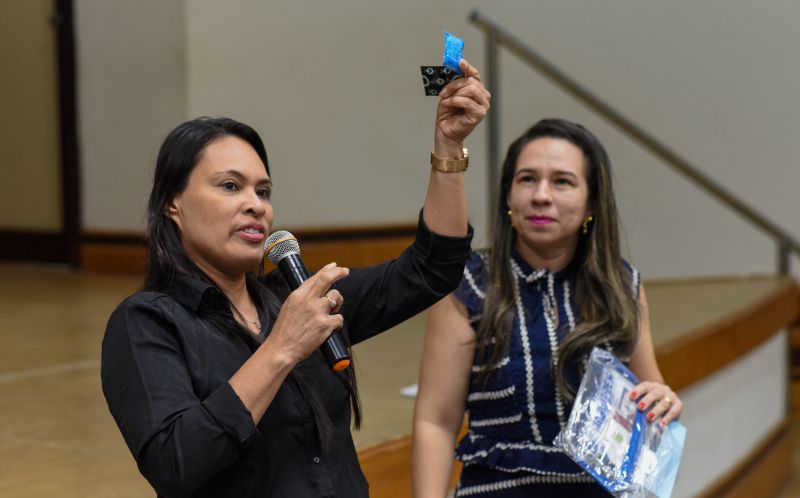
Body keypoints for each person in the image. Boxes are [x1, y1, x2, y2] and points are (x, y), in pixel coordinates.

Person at [101, 59, 490, 498]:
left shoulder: (299, 300)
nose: (256, 205)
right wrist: (283, 346)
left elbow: (432, 268)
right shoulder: (146, 323)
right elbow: (175, 463)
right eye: (230, 186)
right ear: (173, 203)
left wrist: (449, 147)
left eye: (262, 191)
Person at [411, 119, 684, 498]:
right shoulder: (469, 284)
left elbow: (649, 393)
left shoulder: (622, 285)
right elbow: (436, 421)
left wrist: (663, 400)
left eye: (562, 181)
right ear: (508, 195)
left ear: (592, 202)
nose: (541, 195)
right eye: (527, 179)